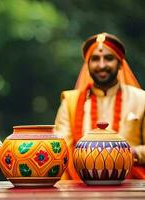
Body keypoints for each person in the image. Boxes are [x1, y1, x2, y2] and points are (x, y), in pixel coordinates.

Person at [55, 32, 145, 179]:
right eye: (95, 59)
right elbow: (60, 150)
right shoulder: (70, 101)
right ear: (87, 64)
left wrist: (131, 153)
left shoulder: (141, 99)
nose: (102, 65)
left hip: (132, 186)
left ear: (121, 63)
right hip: (80, 186)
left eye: (109, 58)